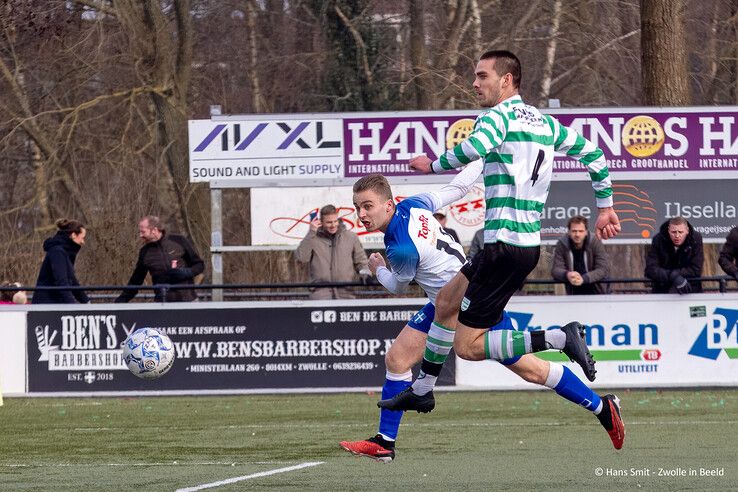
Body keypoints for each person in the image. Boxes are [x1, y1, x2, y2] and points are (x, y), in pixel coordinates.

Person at [378, 50, 625, 450]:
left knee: (468, 346)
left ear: (507, 80)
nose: (475, 84)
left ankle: (560, 339)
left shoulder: (496, 117)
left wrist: (433, 163)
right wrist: (606, 206)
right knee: (445, 302)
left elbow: (476, 146)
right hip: (519, 246)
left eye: (482, 76)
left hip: (501, 246)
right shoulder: (545, 124)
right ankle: (422, 389)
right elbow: (594, 155)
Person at [340, 165, 613, 462]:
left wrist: (377, 268)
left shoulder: (401, 248)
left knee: (525, 367)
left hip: (466, 303)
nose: (362, 214)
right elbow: (457, 188)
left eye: (368, 206)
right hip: (451, 298)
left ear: (388, 204)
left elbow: (397, 286)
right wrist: (480, 161)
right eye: (357, 208)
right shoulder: (414, 204)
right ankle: (385, 442)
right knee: (398, 358)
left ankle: (587, 383)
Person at [115, 216, 204, 303]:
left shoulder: (178, 240)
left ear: (154, 230)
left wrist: (186, 272)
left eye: (143, 232)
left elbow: (199, 265)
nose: (140, 235)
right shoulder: (145, 252)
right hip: (162, 304)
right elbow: (136, 281)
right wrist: (119, 303)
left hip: (189, 301)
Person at [294, 205, 369, 300]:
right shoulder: (313, 238)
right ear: (321, 222)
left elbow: (361, 262)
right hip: (320, 294)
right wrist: (311, 232)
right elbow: (302, 258)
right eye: (329, 222)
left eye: (335, 221)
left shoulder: (351, 237)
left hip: (346, 292)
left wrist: (366, 275)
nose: (333, 225)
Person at [32, 218, 89, 304]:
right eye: (82, 238)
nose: (83, 242)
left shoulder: (65, 252)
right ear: (73, 235)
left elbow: (72, 281)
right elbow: (62, 281)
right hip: (47, 306)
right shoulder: (57, 252)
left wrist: (86, 301)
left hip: (54, 304)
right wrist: (73, 306)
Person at [551, 215, 611, 295]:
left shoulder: (595, 242)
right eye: (574, 231)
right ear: (569, 232)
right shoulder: (562, 244)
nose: (577, 234)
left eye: (581, 231)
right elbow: (556, 270)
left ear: (586, 232)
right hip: (572, 291)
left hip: (597, 291)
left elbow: (603, 269)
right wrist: (567, 275)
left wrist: (583, 279)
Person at [645, 217, 703, 294]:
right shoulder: (658, 239)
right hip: (662, 290)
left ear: (687, 231)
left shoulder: (696, 239)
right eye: (673, 232)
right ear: (668, 230)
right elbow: (651, 269)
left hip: (689, 288)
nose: (677, 236)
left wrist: (676, 275)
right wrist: (673, 276)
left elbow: (696, 269)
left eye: (680, 232)